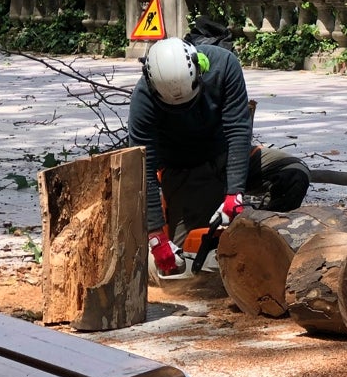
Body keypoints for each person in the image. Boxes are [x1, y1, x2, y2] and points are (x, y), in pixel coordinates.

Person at [129, 37, 311, 277]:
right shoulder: (142, 102)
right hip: (185, 172)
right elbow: (144, 171)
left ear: (199, 70)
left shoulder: (224, 65)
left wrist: (234, 193)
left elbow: (238, 129)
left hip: (229, 156)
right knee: (185, 268)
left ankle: (262, 240)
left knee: (294, 174)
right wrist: (155, 235)